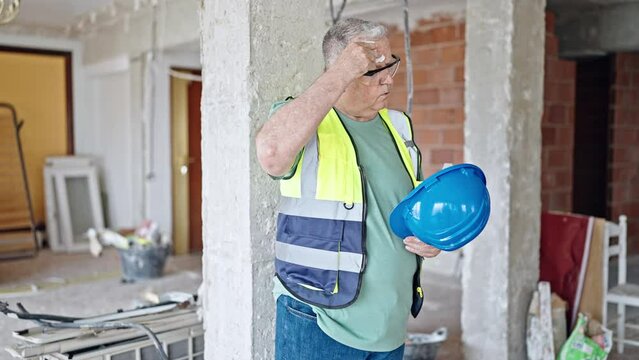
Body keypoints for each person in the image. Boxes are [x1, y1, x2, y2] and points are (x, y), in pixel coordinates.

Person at [256, 18, 441, 360]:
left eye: (391, 66)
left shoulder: (398, 125)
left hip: (388, 324)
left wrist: (431, 238)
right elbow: (271, 154)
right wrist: (340, 74)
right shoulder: (306, 121)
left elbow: (404, 208)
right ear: (340, 69)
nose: (388, 78)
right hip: (320, 319)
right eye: (374, 70)